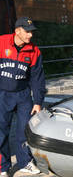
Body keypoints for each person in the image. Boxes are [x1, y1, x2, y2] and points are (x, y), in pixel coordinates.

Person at [0, 17, 46, 176]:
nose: (30, 35)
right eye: (27, 31)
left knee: (24, 131)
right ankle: (3, 167)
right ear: (17, 31)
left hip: (23, 95)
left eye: (32, 32)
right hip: (3, 94)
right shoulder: (1, 43)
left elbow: (37, 78)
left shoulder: (34, 51)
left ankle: (24, 162)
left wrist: (38, 101)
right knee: (1, 131)